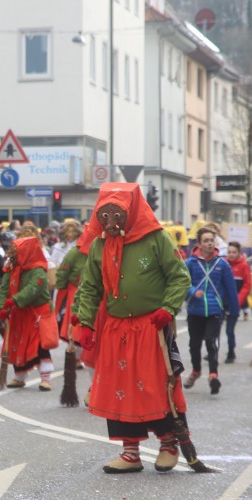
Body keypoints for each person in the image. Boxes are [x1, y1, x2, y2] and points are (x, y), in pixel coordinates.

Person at [72, 183, 191, 473]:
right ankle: (130, 451)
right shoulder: (99, 244)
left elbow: (179, 277)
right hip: (114, 328)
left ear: (132, 211)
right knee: (118, 387)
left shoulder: (157, 238)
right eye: (105, 215)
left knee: (155, 386)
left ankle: (168, 443)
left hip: (151, 326)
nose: (111, 223)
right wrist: (85, 323)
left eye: (118, 215)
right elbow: (89, 287)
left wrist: (167, 307)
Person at [0, 226, 57, 390]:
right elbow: (4, 288)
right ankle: (19, 376)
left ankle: (45, 377)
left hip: (36, 312)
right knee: (17, 344)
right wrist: (3, 307)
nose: (13, 255)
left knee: (39, 344)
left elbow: (33, 289)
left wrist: (14, 300)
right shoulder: (12, 267)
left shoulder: (38, 269)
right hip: (19, 311)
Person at [183, 227, 239, 395]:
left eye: (211, 240)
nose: (209, 243)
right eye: (205, 240)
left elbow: (231, 289)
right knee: (194, 345)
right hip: (195, 311)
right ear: (199, 244)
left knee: (211, 341)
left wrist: (234, 312)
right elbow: (182, 283)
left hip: (215, 311)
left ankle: (213, 375)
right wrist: (193, 292)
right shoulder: (190, 263)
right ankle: (196, 370)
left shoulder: (222, 264)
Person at [224, 240, 252, 362]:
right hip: (222, 303)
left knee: (229, 330)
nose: (231, 254)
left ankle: (231, 353)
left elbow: (247, 285)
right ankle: (212, 351)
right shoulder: (224, 263)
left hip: (234, 304)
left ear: (239, 253)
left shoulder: (243, 265)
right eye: (229, 252)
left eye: (234, 252)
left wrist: (238, 300)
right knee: (213, 331)